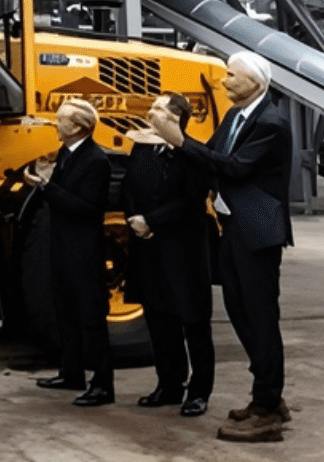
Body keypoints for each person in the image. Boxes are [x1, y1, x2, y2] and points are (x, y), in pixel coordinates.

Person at [146, 51, 293, 443]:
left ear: (256, 83)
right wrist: (170, 145)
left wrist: (179, 140)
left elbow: (234, 168)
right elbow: (210, 157)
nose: (224, 82)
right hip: (235, 225)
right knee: (239, 311)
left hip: (258, 227)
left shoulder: (270, 123)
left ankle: (266, 410)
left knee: (259, 316)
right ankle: (267, 395)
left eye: (231, 76)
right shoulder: (236, 116)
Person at [121, 93, 215, 418]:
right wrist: (134, 219)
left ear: (176, 117)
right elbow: (129, 187)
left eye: (158, 108)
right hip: (149, 246)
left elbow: (192, 201)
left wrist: (152, 221)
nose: (151, 112)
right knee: (159, 318)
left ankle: (199, 391)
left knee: (193, 321)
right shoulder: (142, 148)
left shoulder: (195, 154)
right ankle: (169, 384)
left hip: (183, 248)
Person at [23, 98, 114, 407]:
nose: (55, 124)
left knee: (90, 317)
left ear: (78, 127)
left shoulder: (96, 161)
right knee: (66, 312)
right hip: (62, 247)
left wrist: (46, 187)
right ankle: (71, 371)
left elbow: (87, 207)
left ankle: (102, 384)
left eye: (61, 120)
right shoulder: (67, 154)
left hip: (84, 252)